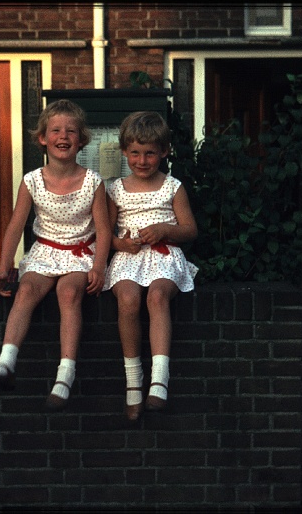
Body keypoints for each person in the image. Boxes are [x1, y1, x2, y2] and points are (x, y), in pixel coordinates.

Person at [0, 99, 111, 412]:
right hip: (45, 251)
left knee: (68, 293)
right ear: (42, 138)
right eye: (55, 130)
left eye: (71, 130)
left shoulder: (93, 182)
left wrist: (98, 267)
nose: (63, 135)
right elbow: (16, 226)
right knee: (26, 290)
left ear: (81, 139)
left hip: (81, 253)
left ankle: (65, 375)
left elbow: (104, 230)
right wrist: (4, 269)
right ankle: (5, 363)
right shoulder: (31, 181)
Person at [103, 111, 198, 422]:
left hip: (164, 254)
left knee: (157, 297)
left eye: (150, 153)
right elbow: (105, 234)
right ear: (124, 152)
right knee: (128, 299)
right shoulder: (116, 188)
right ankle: (133, 382)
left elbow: (190, 230)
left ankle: (159, 380)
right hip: (129, 258)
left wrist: (164, 230)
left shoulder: (172, 187)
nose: (142, 161)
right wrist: (120, 244)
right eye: (135, 153)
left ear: (164, 152)